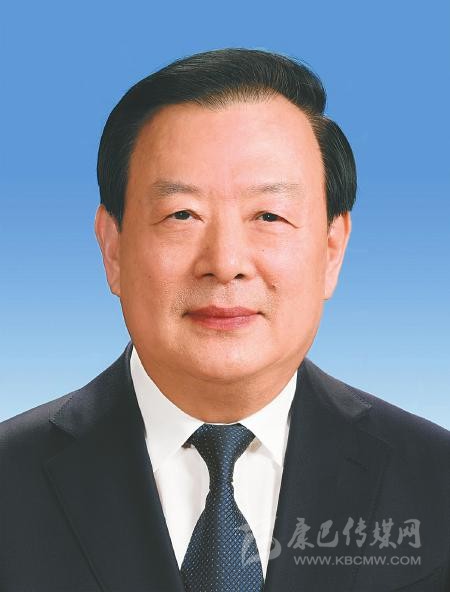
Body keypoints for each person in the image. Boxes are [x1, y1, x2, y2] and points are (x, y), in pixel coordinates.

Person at [1, 48, 449, 592]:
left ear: (332, 250)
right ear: (113, 247)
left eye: (269, 215)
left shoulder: (436, 480)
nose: (226, 262)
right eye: (182, 214)